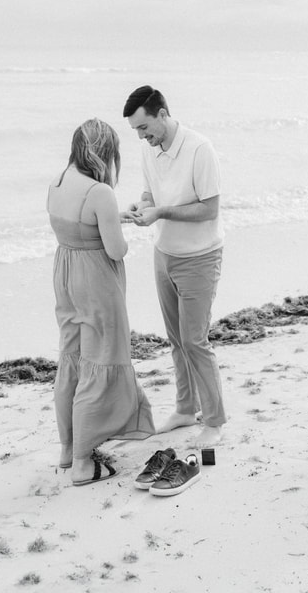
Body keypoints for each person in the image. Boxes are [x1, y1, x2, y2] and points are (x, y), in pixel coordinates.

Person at [47, 118, 155, 485]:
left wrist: (112, 219)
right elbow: (114, 249)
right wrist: (120, 228)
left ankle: (67, 449)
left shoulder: (58, 182)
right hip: (96, 282)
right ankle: (82, 462)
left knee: (73, 359)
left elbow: (79, 231)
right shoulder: (100, 192)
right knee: (102, 359)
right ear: (104, 152)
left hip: (65, 274)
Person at [122, 86, 226, 447]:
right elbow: (151, 193)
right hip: (163, 254)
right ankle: (185, 408)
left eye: (144, 127)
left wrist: (162, 212)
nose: (141, 135)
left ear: (162, 114)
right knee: (176, 340)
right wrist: (144, 206)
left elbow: (209, 209)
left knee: (195, 340)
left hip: (199, 257)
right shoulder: (148, 150)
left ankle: (213, 421)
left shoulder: (200, 149)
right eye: (136, 130)